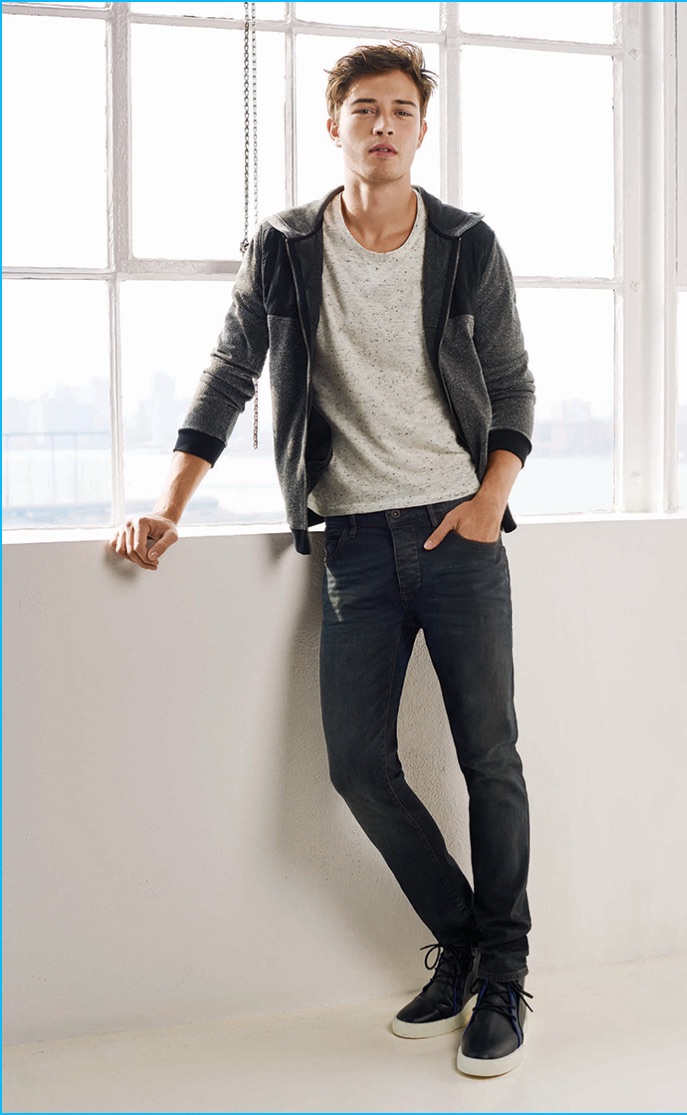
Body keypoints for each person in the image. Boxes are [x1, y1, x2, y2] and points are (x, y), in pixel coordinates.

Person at [110, 41, 535, 1078]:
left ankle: (504, 976)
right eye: (364, 108)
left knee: (489, 757)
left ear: (422, 129)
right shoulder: (286, 244)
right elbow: (230, 370)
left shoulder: (466, 241)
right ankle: (470, 943)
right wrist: (167, 506)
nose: (383, 125)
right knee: (357, 765)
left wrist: (489, 500)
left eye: (401, 110)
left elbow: (513, 383)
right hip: (352, 543)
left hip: (457, 535)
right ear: (334, 123)